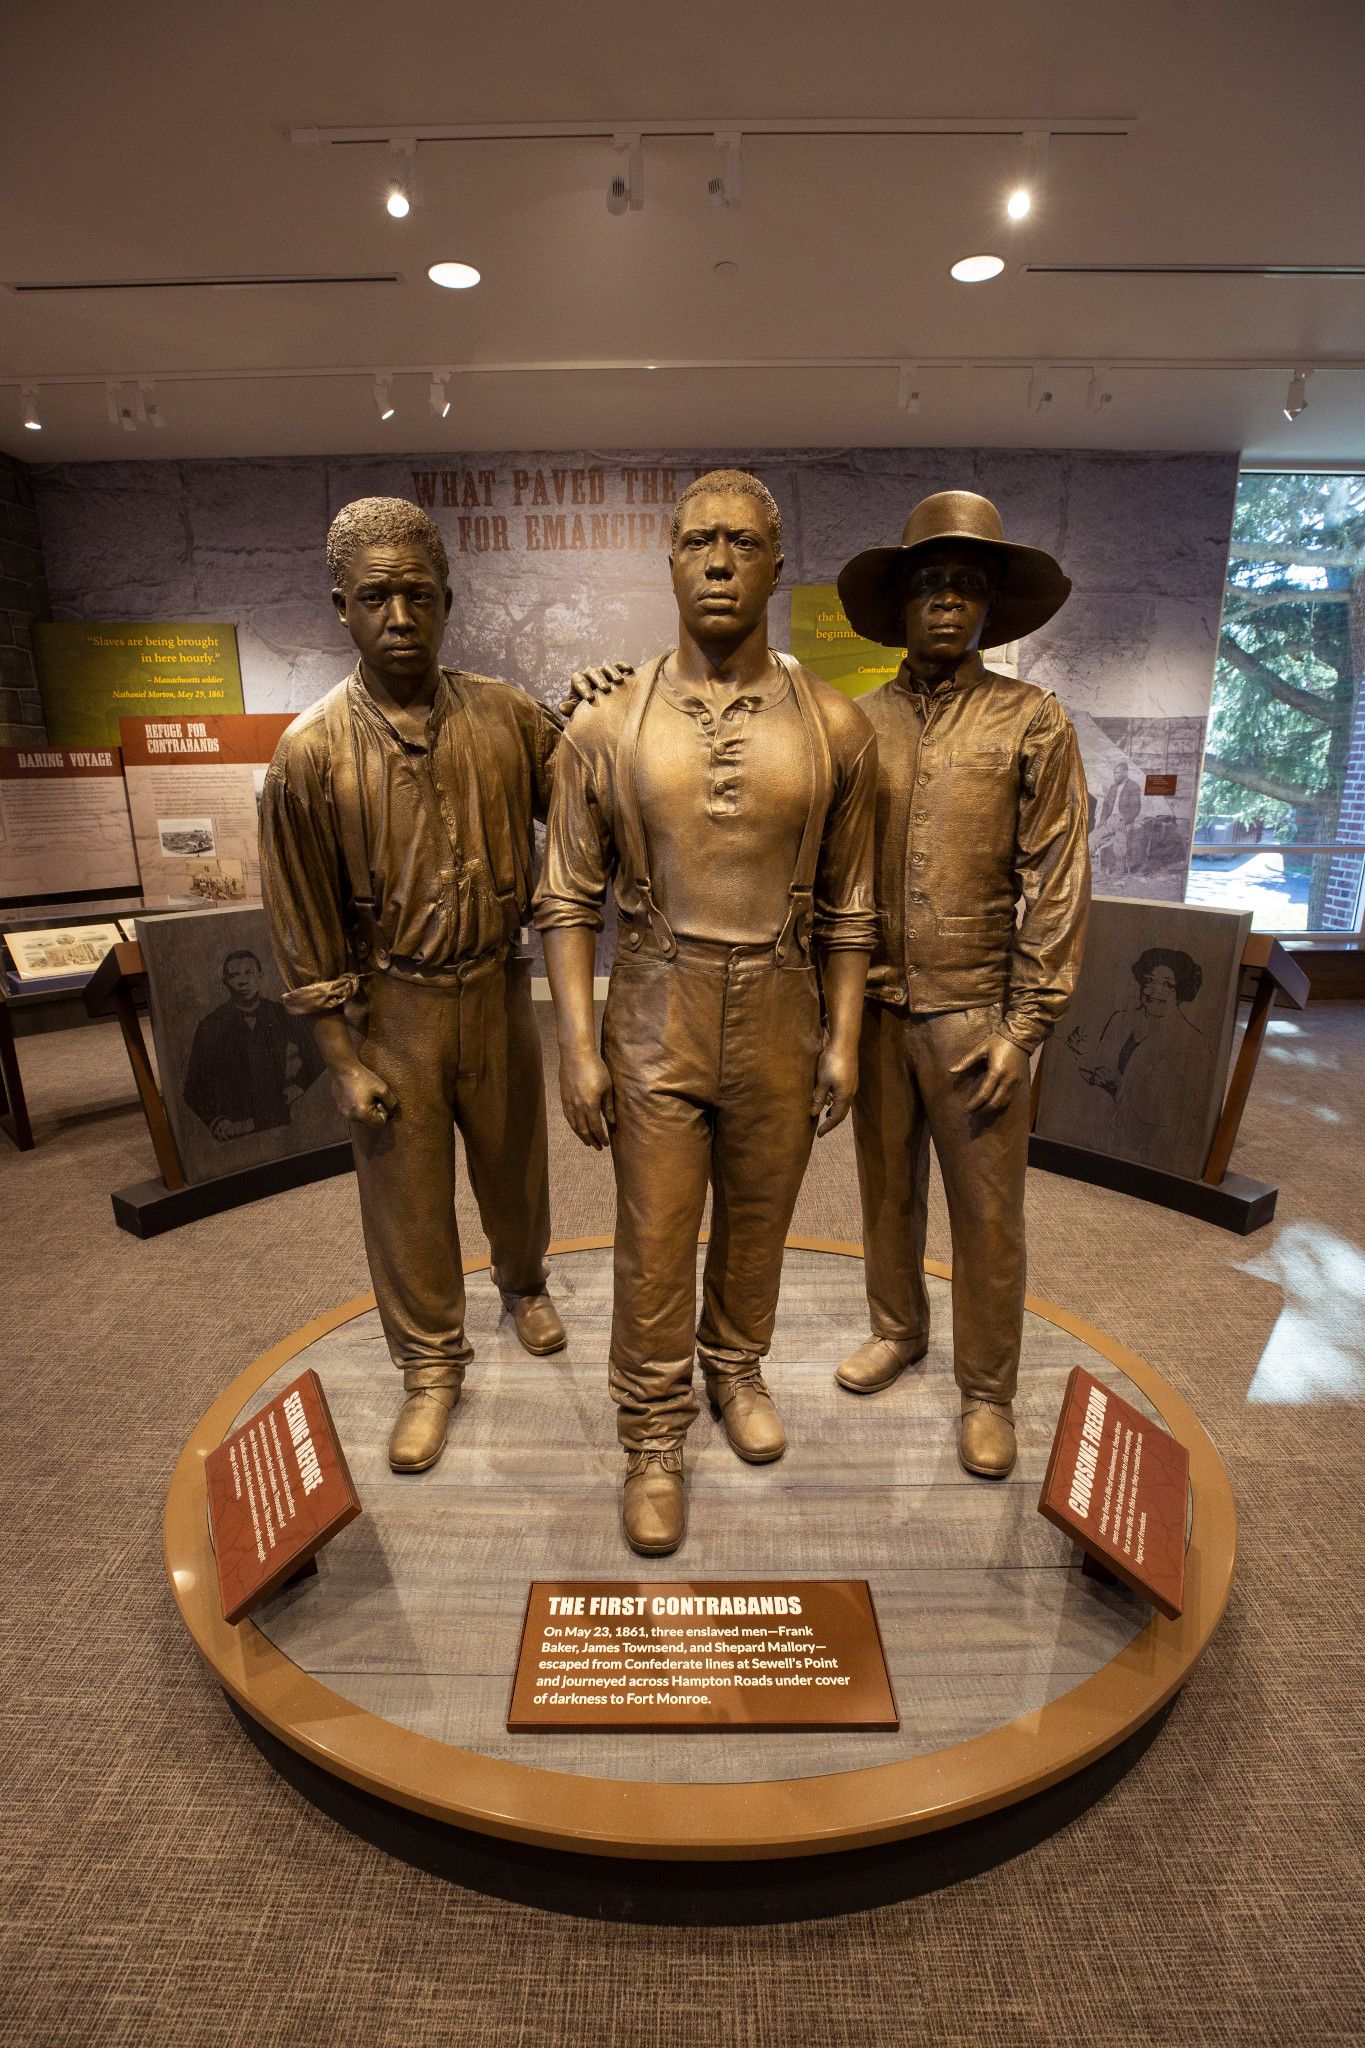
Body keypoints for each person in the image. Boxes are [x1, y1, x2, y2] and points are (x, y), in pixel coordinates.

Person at [535, 469, 877, 1555]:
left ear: (779, 564)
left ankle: (737, 1367)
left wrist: (846, 1034)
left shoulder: (835, 726)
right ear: (670, 560)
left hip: (780, 999)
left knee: (762, 1215)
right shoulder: (604, 722)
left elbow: (854, 902)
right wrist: (578, 1047)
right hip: (655, 1003)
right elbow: (564, 894)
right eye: (697, 541)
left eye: (742, 541)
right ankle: (651, 1430)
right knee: (654, 1232)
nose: (719, 559)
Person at [260, 496, 568, 1475]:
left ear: (449, 601)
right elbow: (300, 924)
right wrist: (340, 1058)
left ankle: (524, 1284)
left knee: (517, 1164)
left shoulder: (510, 716)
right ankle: (431, 1364)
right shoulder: (309, 754)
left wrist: (600, 718)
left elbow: (592, 799)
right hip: (391, 1006)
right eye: (377, 596)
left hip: (499, 988)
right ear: (340, 606)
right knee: (408, 1195)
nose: (400, 615)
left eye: (419, 594)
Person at [834, 490, 1090, 1478]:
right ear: (901, 600)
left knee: (988, 1217)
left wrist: (1026, 1025)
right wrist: (838, 1016)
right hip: (880, 1004)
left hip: (978, 1012)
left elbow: (1058, 877)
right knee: (883, 1188)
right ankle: (897, 1326)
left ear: (991, 603)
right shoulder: (857, 725)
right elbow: (833, 875)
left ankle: (989, 1390)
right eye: (930, 581)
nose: (947, 600)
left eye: (966, 584)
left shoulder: (1030, 721)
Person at [1066, 946, 1206, 1159]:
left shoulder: (1192, 1042)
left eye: (1167, 984)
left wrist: (1118, 1086)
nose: (1153, 990)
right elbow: (1098, 1069)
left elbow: (1177, 1108)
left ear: (1181, 991)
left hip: (1154, 1146)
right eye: (1149, 981)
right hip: (1102, 1132)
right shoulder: (1120, 1020)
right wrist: (1083, 1054)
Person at [182, 948, 324, 1141]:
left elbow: (317, 1056)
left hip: (277, 1119)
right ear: (226, 983)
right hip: (234, 1128)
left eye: (249, 973)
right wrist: (215, 1120)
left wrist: (298, 1087)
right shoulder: (211, 1025)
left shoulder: (282, 1013)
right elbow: (193, 1087)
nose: (242, 981)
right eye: (234, 975)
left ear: (261, 976)